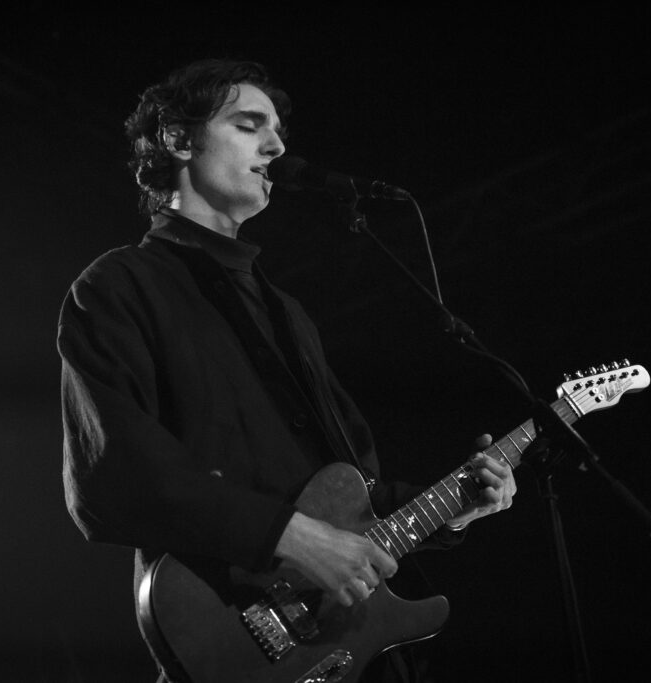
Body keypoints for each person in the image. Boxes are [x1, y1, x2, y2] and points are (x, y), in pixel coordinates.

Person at [57, 59, 517, 682]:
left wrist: (458, 505)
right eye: (250, 126)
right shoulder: (117, 287)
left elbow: (354, 489)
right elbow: (111, 477)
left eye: (276, 132)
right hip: (227, 639)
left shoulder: (287, 313)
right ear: (178, 139)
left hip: (347, 648)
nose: (276, 147)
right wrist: (294, 538)